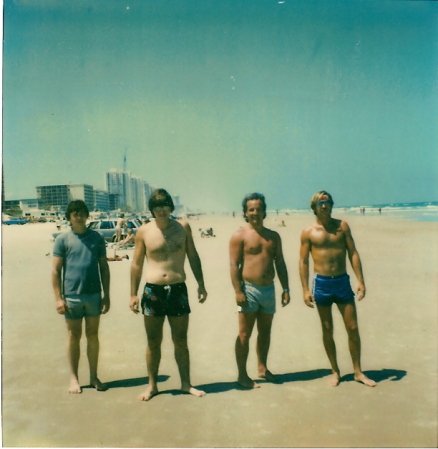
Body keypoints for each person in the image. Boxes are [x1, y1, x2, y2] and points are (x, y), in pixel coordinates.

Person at [130, 188, 208, 401]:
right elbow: (136, 264)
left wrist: (201, 284)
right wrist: (133, 294)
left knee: (180, 340)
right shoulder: (144, 231)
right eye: (157, 207)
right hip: (152, 291)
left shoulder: (182, 227)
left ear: (171, 207)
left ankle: (186, 384)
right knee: (153, 341)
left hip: (177, 289)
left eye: (165, 206)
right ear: (152, 209)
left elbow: (193, 256)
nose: (161, 210)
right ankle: (152, 386)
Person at [299, 191, 376, 387]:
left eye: (327, 203)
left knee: (353, 327)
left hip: (342, 281)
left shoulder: (342, 227)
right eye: (319, 203)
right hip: (322, 284)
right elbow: (303, 261)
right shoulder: (308, 232)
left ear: (331, 205)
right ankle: (335, 371)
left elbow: (353, 253)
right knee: (327, 329)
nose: (324, 206)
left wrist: (361, 280)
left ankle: (358, 371)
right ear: (314, 207)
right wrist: (305, 289)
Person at [229, 193, 290, 389]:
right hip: (249, 289)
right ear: (245, 213)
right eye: (251, 210)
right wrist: (238, 291)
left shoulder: (273, 237)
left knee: (265, 332)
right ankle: (242, 374)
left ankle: (262, 368)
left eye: (258, 209)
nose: (255, 213)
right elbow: (233, 265)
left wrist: (286, 288)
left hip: (269, 289)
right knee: (244, 334)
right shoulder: (240, 235)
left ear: (264, 211)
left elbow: (280, 263)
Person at [52, 200, 110, 394]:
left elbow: (104, 267)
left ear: (87, 215)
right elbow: (55, 271)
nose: (78, 216)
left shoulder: (97, 237)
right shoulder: (62, 240)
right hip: (72, 297)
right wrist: (58, 298)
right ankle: (74, 378)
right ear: (69, 217)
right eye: (74, 213)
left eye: (82, 213)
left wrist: (106, 295)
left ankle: (94, 377)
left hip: (93, 295)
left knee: (93, 336)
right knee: (73, 336)